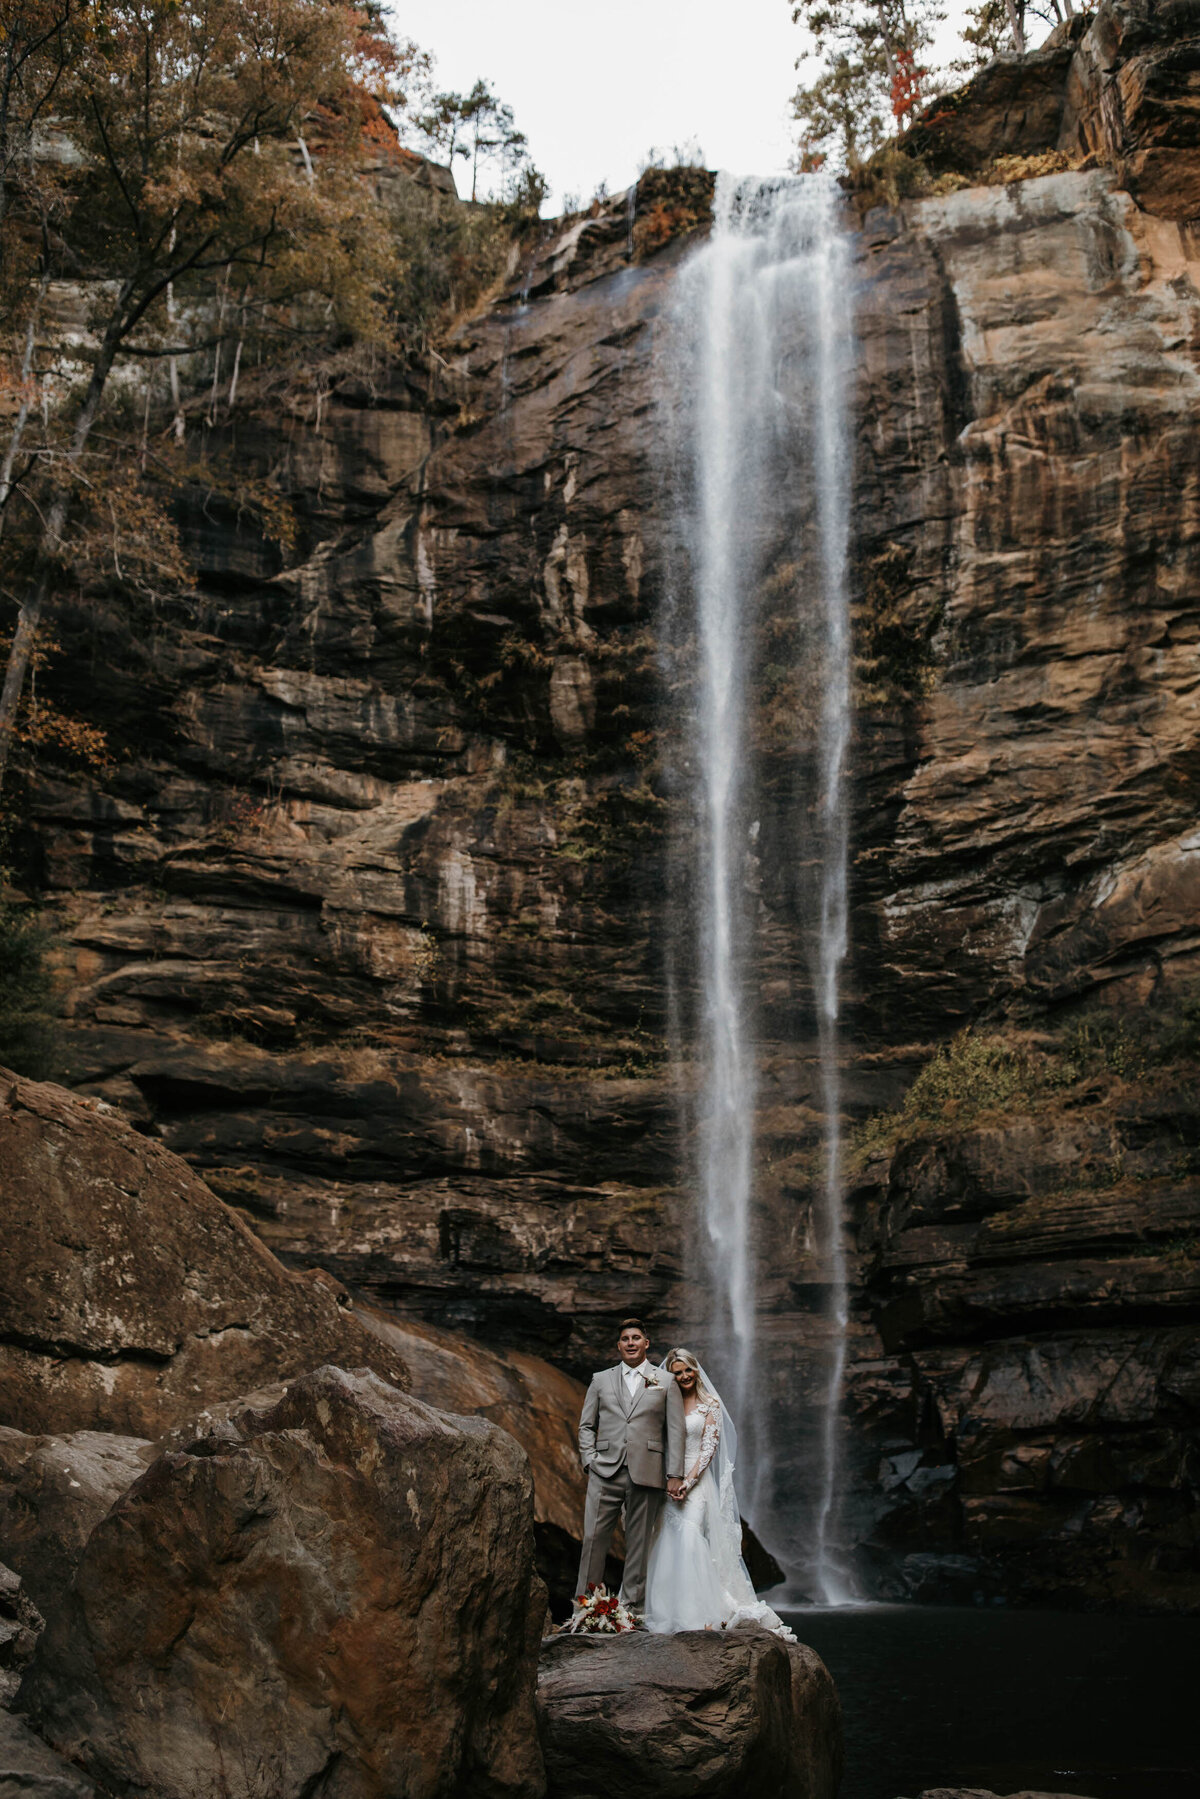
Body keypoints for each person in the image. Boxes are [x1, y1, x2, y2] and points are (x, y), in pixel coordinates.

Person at [643, 1347, 794, 1638]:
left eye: (688, 1369)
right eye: (678, 1372)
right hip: (668, 1483)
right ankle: (667, 1611)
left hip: (696, 1485)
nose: (685, 1375)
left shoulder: (710, 1404)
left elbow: (709, 1449)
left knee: (689, 1538)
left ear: (696, 1371)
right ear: (671, 1376)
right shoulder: (666, 1403)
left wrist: (687, 1480)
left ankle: (698, 1612)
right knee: (667, 1542)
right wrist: (666, 1479)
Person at [576, 1317, 685, 1617]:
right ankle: (586, 1608)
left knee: (638, 1543)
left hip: (647, 1471)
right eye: (625, 1339)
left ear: (646, 1343)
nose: (631, 1343)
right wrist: (590, 1460)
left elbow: (675, 1431)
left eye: (636, 1338)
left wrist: (674, 1474)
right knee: (593, 1539)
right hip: (605, 1471)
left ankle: (631, 1611)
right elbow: (586, 1425)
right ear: (619, 1345)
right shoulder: (600, 1380)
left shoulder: (665, 1381)